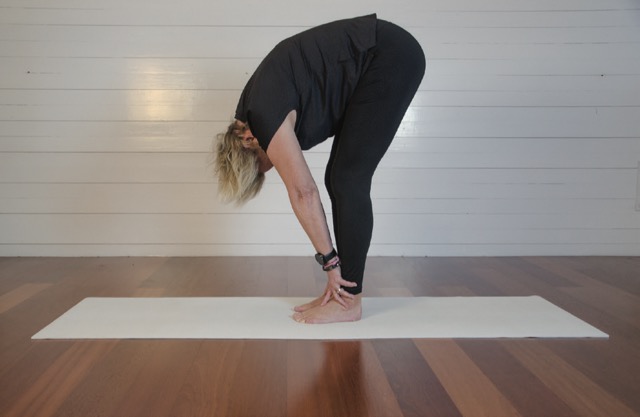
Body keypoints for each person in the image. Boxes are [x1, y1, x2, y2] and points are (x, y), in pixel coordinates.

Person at [214, 14, 425, 324]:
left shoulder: (261, 116)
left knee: (348, 179)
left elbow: (303, 192)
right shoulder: (253, 108)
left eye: (260, 166)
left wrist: (330, 264)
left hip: (389, 55)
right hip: (381, 56)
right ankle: (343, 294)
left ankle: (349, 301)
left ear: (248, 141)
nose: (269, 166)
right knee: (338, 178)